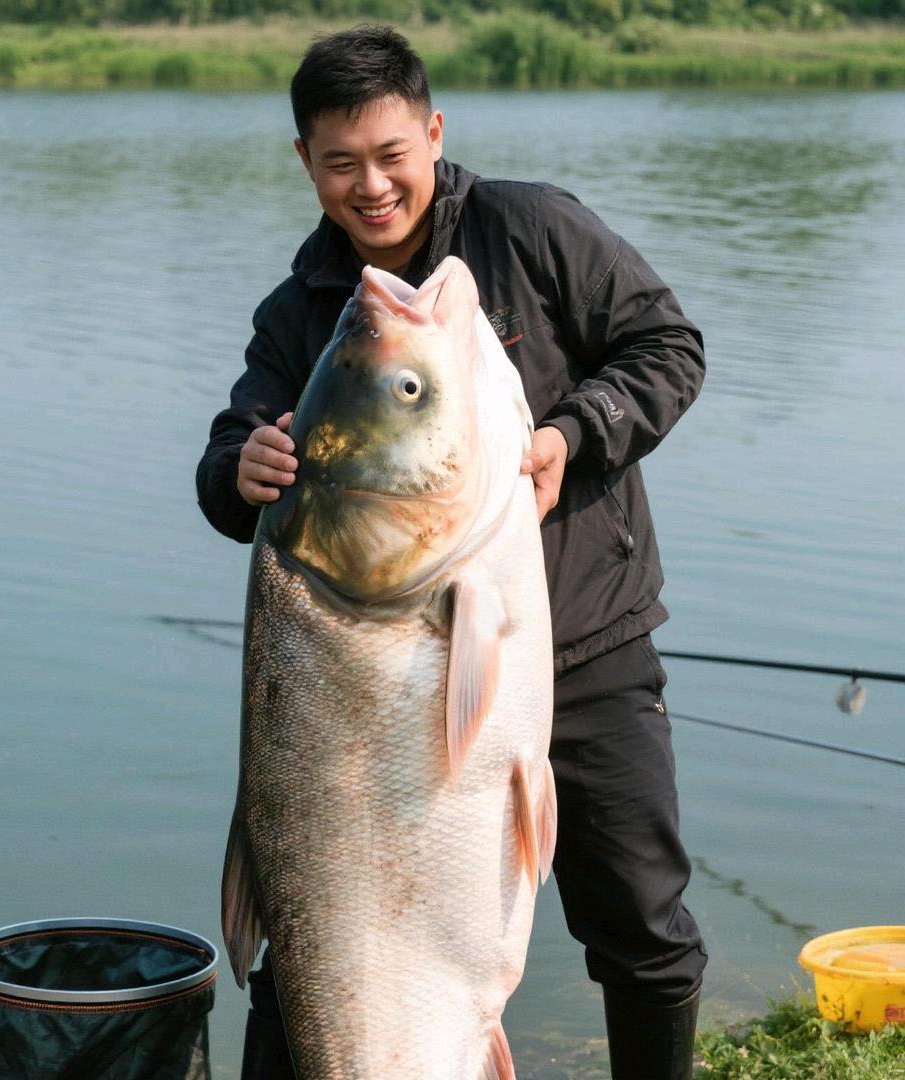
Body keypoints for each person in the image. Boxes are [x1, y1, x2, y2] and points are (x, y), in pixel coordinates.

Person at [195, 25, 707, 1080]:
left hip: (588, 646)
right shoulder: (299, 317)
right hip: (380, 676)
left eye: (392, 154)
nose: (371, 186)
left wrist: (577, 430)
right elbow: (226, 459)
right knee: (314, 972)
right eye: (340, 163)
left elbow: (667, 347)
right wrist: (235, 468)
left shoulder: (534, 228)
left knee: (646, 940)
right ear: (306, 162)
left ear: (432, 132)